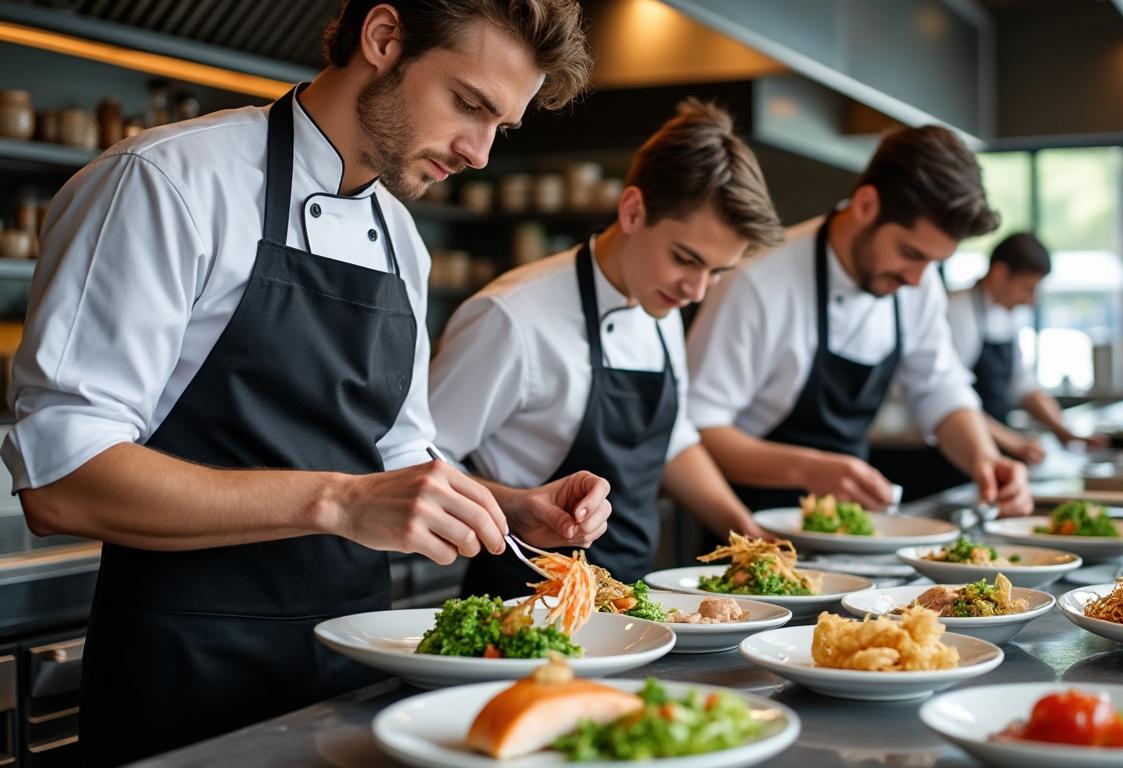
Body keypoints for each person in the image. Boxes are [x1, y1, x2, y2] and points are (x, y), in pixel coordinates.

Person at [5, 2, 599, 763]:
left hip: (356, 669)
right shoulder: (167, 182)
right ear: (383, 38)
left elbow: (396, 454)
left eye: (500, 127)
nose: (480, 153)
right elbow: (63, 481)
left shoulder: (402, 241)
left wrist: (509, 509)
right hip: (189, 677)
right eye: (468, 103)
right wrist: (339, 502)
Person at [427, 99, 785, 596]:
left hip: (630, 603)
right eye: (685, 259)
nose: (697, 290)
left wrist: (747, 531)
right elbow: (422, 459)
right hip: (520, 605)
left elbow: (674, 440)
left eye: (718, 272)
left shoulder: (660, 304)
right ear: (633, 210)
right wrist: (513, 503)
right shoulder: (512, 317)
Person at [686, 125, 1032, 516]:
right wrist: (809, 470)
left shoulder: (918, 284)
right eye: (911, 253)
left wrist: (985, 458)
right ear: (866, 205)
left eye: (933, 263)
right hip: (747, 522)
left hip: (851, 525)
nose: (916, 279)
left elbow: (938, 388)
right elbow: (698, 426)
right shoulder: (757, 281)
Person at [946, 232, 1107, 464]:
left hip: (989, 449)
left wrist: (1063, 431)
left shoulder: (1006, 315)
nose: (1031, 300)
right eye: (1027, 287)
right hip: (953, 451)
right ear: (1000, 274)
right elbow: (951, 396)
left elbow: (1023, 384)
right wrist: (1013, 442)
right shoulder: (957, 312)